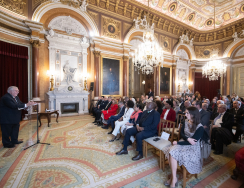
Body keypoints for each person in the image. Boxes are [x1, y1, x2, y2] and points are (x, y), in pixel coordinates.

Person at [162, 107, 208, 188]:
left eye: (187, 113)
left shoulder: (200, 127)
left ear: (193, 115)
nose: (185, 114)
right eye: (185, 112)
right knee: (171, 151)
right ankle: (174, 178)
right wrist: (187, 138)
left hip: (193, 148)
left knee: (172, 152)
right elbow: (182, 133)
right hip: (184, 142)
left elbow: (192, 143)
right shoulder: (186, 121)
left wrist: (178, 142)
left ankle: (173, 180)